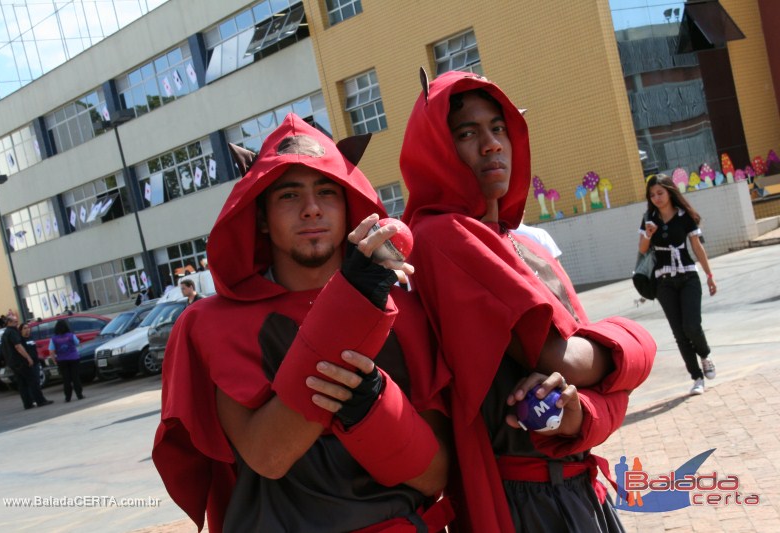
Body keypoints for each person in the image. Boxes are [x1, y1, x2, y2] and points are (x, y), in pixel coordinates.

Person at [153, 114, 452, 532]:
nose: (312, 209)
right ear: (261, 216)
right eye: (289, 195)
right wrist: (355, 309)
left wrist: (374, 404)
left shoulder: (407, 312)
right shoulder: (211, 326)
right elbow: (268, 455)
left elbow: (434, 476)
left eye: (327, 191)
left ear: (350, 205)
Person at [399, 71, 656, 532]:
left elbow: (584, 389)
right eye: (467, 133)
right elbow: (565, 362)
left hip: (576, 485)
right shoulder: (441, 234)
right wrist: (638, 340)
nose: (492, 144)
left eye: (498, 128)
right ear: (436, 149)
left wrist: (590, 409)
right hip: (528, 503)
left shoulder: (525, 244)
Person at [639, 174, 716, 396]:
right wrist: (648, 234)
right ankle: (697, 378)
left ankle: (705, 355)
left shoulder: (684, 217)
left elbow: (697, 247)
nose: (656, 198)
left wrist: (710, 275)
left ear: (670, 192)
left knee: (692, 325)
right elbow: (642, 249)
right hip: (664, 281)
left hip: (688, 276)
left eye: (660, 193)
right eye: (652, 195)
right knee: (679, 333)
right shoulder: (649, 218)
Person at [0, 315, 53, 410]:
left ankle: (28, 404)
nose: (17, 323)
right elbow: (18, 346)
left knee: (22, 384)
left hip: (13, 363)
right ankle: (40, 401)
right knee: (33, 381)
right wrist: (28, 358)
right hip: (20, 362)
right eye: (15, 321)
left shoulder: (5, 334)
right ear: (9, 322)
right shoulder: (13, 332)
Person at [49, 319, 84, 402]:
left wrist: (54, 359)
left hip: (62, 360)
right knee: (75, 377)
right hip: (73, 358)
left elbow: (51, 351)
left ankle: (68, 397)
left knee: (66, 379)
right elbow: (77, 343)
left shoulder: (54, 339)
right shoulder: (71, 335)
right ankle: (79, 395)